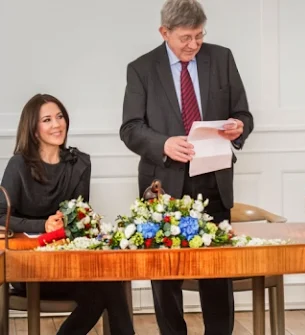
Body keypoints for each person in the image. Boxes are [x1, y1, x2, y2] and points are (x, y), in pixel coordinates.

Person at [119, 0, 254, 333]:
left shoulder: (221, 58)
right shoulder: (141, 68)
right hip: (163, 185)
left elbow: (244, 115)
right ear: (164, 32)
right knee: (166, 278)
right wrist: (163, 144)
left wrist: (239, 126)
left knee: (217, 275)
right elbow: (131, 127)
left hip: (214, 181)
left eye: (199, 35)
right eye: (185, 38)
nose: (193, 44)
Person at [0, 94, 135, 335]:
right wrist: (43, 225)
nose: (57, 124)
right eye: (47, 119)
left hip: (68, 264)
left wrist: (73, 222)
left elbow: (78, 219)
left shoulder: (79, 164)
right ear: (33, 129)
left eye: (60, 117)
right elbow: (0, 215)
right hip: (28, 266)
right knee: (107, 289)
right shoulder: (18, 165)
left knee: (110, 282)